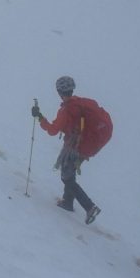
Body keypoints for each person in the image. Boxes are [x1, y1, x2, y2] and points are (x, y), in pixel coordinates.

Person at [34, 75, 102, 224]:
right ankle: (67, 203)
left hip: (73, 147)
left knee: (66, 177)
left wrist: (40, 117)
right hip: (84, 145)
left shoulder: (66, 110)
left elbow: (53, 130)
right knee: (69, 172)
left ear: (59, 91)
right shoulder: (82, 104)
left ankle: (89, 206)